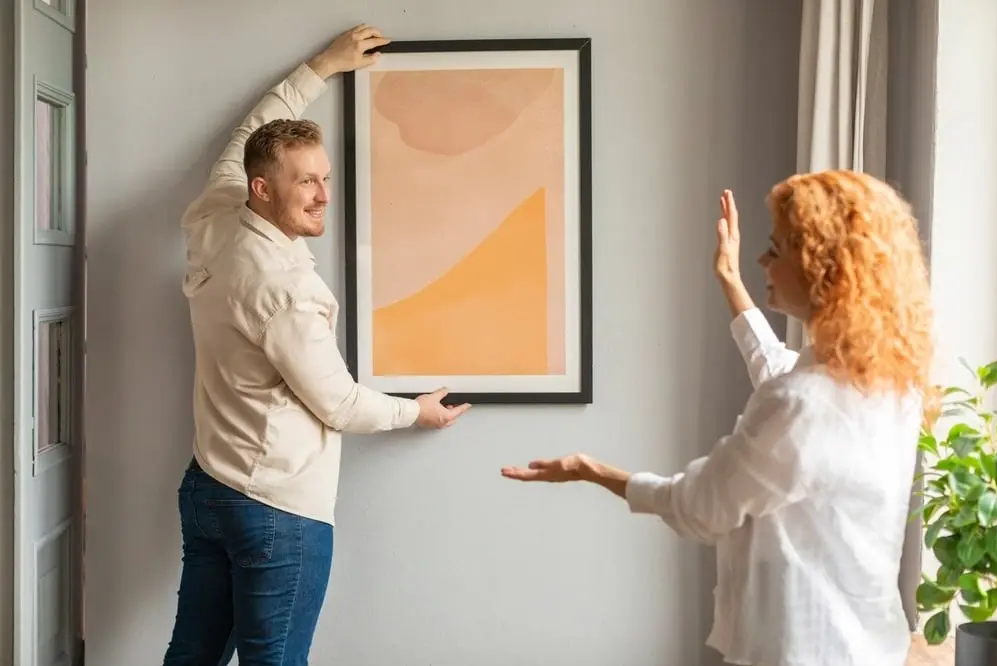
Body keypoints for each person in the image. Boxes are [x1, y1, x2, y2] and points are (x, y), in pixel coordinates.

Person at [502, 172, 934, 666]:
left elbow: (699, 507)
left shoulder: (802, 404)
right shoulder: (888, 385)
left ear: (821, 267)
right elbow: (782, 379)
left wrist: (592, 471)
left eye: (775, 250)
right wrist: (731, 283)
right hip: (871, 648)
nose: (761, 261)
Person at [163, 24, 471, 666]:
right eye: (306, 182)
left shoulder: (213, 218)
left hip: (209, 488)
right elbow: (338, 404)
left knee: (190, 659)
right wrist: (418, 410)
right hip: (275, 507)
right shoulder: (287, 288)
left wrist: (321, 68)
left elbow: (249, 137)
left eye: (323, 178)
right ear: (263, 190)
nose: (324, 195)